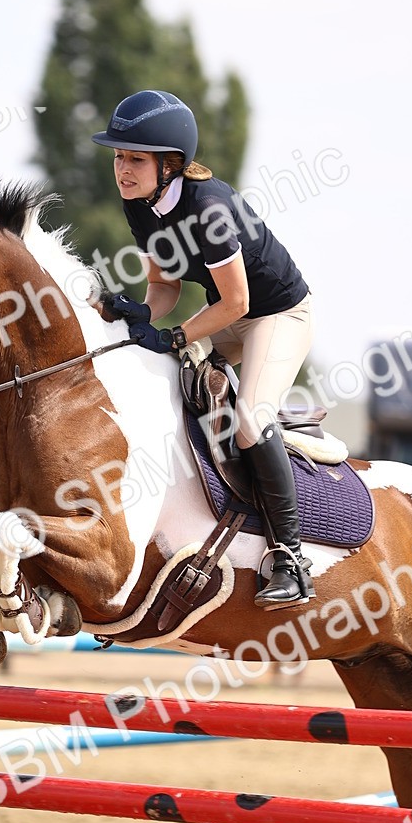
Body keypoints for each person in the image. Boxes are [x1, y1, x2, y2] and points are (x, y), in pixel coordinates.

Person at [92, 89, 316, 609]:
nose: (122, 169)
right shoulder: (141, 204)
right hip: (231, 316)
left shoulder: (210, 208)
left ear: (170, 164)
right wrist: (140, 314)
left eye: (135, 159)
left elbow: (237, 301)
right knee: (152, 373)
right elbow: (165, 287)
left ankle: (290, 557)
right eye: (119, 157)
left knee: (251, 419)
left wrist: (174, 336)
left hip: (277, 316)